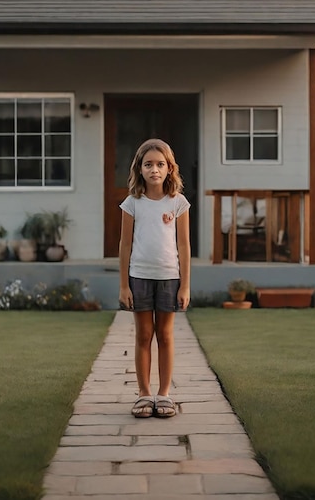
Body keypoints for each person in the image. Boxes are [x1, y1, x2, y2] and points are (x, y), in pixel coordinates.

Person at [119, 138, 191, 418]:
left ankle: (164, 395)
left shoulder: (178, 203)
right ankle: (143, 394)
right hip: (139, 276)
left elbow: (184, 246)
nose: (154, 170)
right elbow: (125, 245)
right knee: (144, 335)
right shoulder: (132, 203)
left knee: (165, 335)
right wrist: (124, 284)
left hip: (170, 278)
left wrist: (185, 284)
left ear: (169, 168)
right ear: (140, 168)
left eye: (160, 164)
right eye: (148, 164)